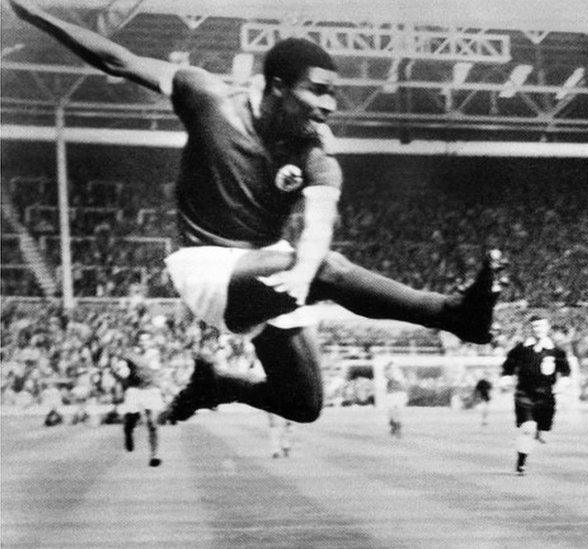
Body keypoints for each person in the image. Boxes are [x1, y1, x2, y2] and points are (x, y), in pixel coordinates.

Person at [11, 0, 503, 425]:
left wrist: (304, 269)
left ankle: (217, 386)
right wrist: (36, 14)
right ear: (277, 85)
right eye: (318, 90)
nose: (331, 104)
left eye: (333, 93)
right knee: (328, 270)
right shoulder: (207, 97)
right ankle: (454, 315)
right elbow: (116, 58)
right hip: (206, 267)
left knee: (304, 403)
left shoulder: (317, 157)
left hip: (273, 266)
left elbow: (318, 228)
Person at [499, 315, 571, 475]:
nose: (537, 329)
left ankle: (540, 430)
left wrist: (562, 384)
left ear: (547, 327)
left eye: (541, 326)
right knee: (528, 429)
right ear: (530, 329)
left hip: (546, 396)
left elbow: (566, 372)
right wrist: (506, 378)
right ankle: (521, 463)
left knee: (542, 431)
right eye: (534, 326)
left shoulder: (556, 350)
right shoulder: (521, 349)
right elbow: (507, 367)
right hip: (524, 393)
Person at [119, 349, 165, 467]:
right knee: (132, 419)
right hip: (135, 390)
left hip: (152, 390)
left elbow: (159, 371)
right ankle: (128, 432)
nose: (144, 342)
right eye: (141, 339)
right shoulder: (129, 354)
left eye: (146, 339)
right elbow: (121, 370)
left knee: (153, 423)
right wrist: (123, 374)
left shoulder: (155, 352)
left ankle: (154, 455)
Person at [384, 363, 408, 438]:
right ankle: (394, 426)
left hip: (399, 394)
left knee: (397, 412)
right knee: (392, 412)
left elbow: (402, 384)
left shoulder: (398, 374)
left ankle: (397, 429)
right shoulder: (389, 374)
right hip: (391, 395)